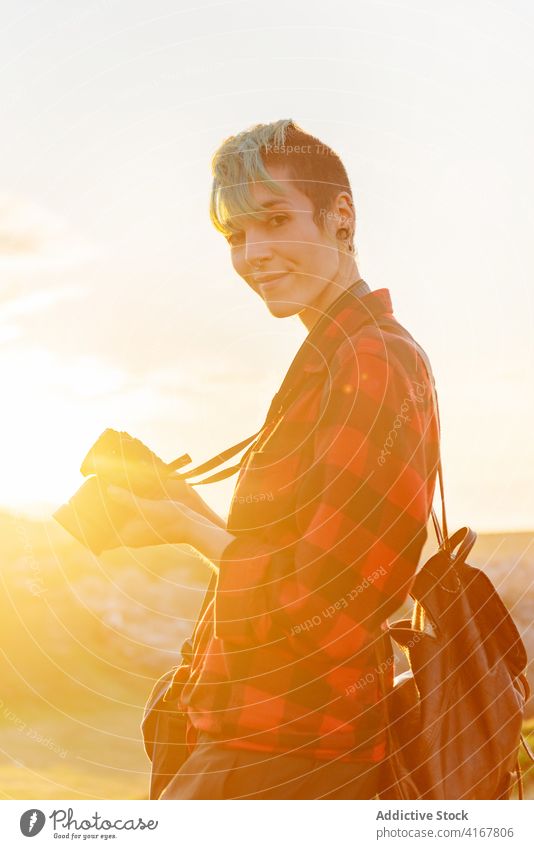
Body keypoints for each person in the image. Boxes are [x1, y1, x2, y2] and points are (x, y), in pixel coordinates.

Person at [107, 119, 441, 799]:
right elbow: (296, 558)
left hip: (284, 754)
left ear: (341, 218)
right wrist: (182, 506)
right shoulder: (338, 355)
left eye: (275, 219)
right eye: (235, 235)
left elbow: (324, 603)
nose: (253, 252)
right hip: (268, 742)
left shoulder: (369, 361)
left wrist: (183, 529)